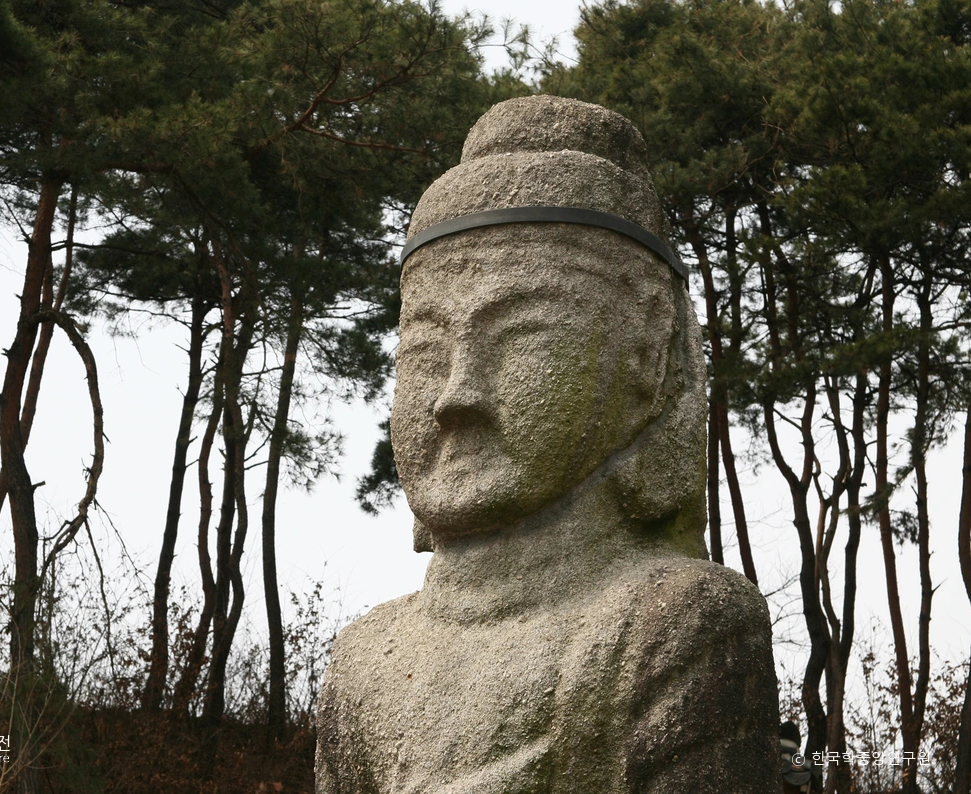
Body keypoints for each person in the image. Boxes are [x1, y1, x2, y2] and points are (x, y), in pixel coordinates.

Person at [315, 95, 779, 794]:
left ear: (647, 355)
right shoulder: (364, 662)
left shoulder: (672, 629)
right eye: (426, 350)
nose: (456, 395)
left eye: (523, 339)